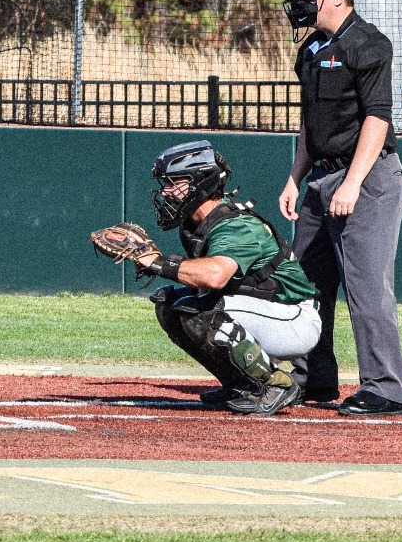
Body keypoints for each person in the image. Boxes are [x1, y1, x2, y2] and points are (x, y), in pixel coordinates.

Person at [277, 0, 402, 417]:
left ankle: (386, 389)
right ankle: (311, 378)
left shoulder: (369, 44)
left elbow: (378, 118)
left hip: (367, 180)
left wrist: (351, 183)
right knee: (304, 285)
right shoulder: (311, 49)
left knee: (367, 286)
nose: (298, 4)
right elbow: (310, 124)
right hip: (320, 180)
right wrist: (296, 177)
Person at [118, 140, 323, 416]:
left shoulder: (236, 225)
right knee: (169, 302)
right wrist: (164, 267)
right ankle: (241, 384)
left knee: (202, 311)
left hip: (293, 318)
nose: (166, 192)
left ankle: (277, 384)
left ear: (201, 182)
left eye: (173, 183)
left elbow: (215, 276)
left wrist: (158, 263)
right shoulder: (197, 223)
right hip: (263, 311)